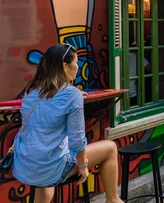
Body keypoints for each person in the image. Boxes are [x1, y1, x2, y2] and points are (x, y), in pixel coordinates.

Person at [12, 44, 123, 203]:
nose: (78, 67)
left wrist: (74, 95)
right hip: (49, 168)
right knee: (110, 148)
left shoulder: (31, 91)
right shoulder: (71, 95)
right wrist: (83, 168)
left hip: (25, 166)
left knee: (48, 162)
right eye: (76, 63)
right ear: (65, 66)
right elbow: (77, 140)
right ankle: (113, 199)